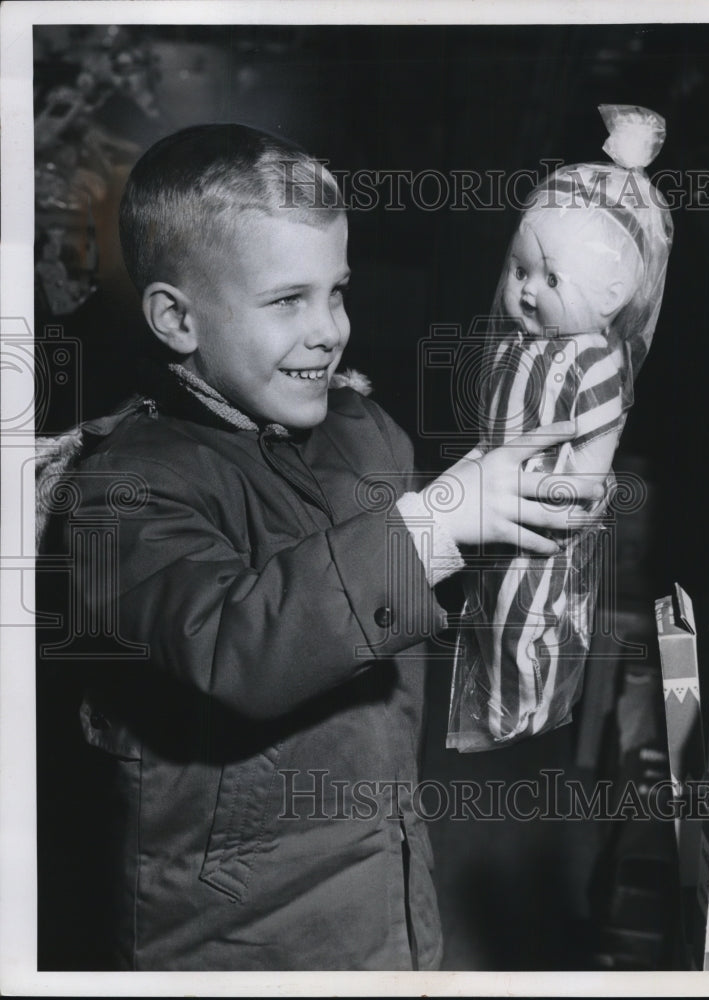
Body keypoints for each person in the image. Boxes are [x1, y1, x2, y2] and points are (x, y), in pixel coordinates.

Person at [35, 123, 603, 971]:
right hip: (226, 940)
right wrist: (440, 519)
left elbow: (394, 596)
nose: (329, 329)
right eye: (285, 300)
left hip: (381, 891)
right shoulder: (121, 492)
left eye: (335, 291)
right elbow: (238, 647)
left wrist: (513, 526)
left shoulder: (363, 432)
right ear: (175, 318)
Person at [447, 105, 673, 752]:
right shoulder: (519, 343)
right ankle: (493, 691)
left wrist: (570, 496)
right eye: (520, 271)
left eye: (549, 279)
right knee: (487, 607)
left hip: (544, 515)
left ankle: (520, 702)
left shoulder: (597, 360)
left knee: (528, 615)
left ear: (609, 296)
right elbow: (499, 412)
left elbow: (594, 450)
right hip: (493, 496)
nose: (524, 291)